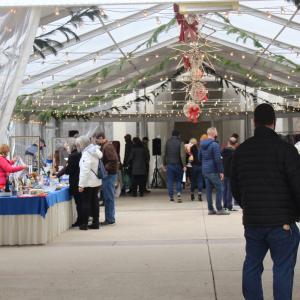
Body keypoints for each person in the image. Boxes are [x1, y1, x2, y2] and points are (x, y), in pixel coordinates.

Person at [231, 103, 300, 300]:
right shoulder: (286, 150)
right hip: (281, 222)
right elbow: (298, 185)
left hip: (253, 221)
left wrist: (249, 206)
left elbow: (235, 187)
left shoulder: (241, 151)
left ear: (254, 122)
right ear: (274, 122)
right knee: (283, 268)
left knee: (252, 265)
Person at [199, 127, 229, 215]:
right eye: (216, 131)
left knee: (208, 190)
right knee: (220, 188)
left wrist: (205, 164)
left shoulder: (202, 144)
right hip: (213, 170)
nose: (217, 133)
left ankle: (210, 209)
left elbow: (199, 157)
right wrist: (221, 171)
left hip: (205, 170)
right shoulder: (214, 145)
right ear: (214, 133)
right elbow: (217, 159)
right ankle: (219, 208)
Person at [76, 136, 102, 230]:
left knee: (85, 203)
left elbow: (84, 171)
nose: (78, 146)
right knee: (94, 201)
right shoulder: (95, 151)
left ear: (83, 144)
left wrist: (81, 185)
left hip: (88, 182)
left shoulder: (87, 153)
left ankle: (84, 224)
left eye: (79, 144)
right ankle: (96, 222)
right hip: (96, 181)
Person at [94, 132, 119, 225]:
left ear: (101, 138)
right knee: (108, 197)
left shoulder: (107, 147)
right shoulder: (106, 146)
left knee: (108, 198)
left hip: (109, 175)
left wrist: (104, 169)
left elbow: (113, 160)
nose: (96, 142)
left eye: (97, 140)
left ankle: (110, 219)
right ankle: (109, 218)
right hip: (109, 174)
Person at [57, 141, 82, 227]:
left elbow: (68, 170)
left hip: (75, 181)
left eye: (67, 147)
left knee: (79, 203)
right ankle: (82, 220)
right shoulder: (79, 154)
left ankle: (80, 221)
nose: (66, 149)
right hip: (80, 180)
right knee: (81, 202)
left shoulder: (72, 156)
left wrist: (58, 175)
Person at [163, 129, 186, 203]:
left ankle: (171, 198)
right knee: (179, 180)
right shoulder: (180, 142)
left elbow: (164, 154)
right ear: (178, 135)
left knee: (170, 181)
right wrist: (184, 165)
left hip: (169, 165)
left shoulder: (167, 142)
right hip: (178, 164)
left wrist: (164, 164)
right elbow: (182, 155)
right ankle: (179, 194)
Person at [221, 136, 238, 211]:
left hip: (224, 172)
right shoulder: (235, 152)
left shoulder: (223, 151)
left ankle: (224, 205)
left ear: (228, 142)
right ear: (235, 144)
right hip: (231, 173)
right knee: (230, 190)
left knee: (225, 189)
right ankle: (229, 206)